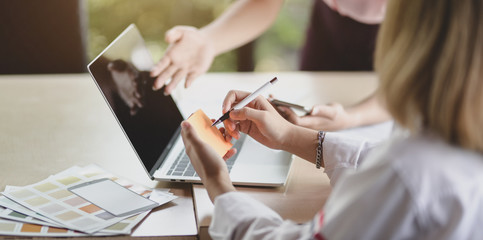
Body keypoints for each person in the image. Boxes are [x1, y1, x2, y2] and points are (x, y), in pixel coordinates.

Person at [180, 0, 483, 238]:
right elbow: (379, 162)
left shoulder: (403, 175)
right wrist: (290, 136)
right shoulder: (452, 147)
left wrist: (218, 185)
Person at [150, 0, 391, 131]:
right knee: (307, 121)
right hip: (328, 26)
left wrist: (352, 117)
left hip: (400, 33)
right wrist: (209, 41)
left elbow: (420, 82)